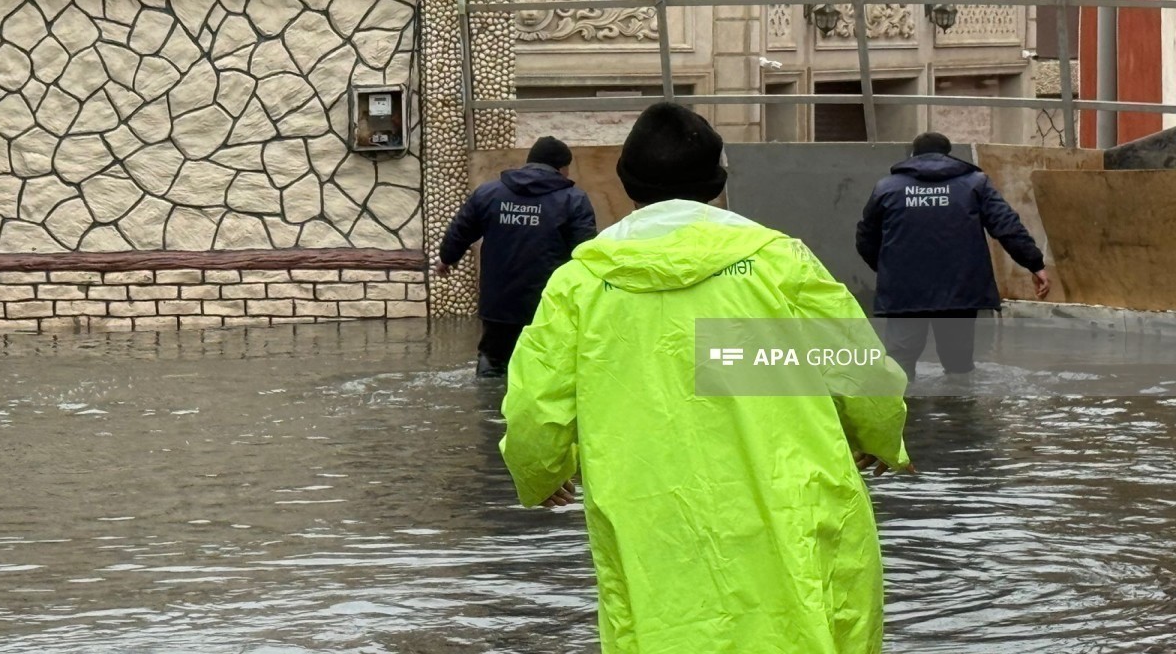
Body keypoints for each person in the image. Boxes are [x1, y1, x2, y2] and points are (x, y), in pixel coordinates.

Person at [500, 102, 913, 653]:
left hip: (653, 518)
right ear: (717, 182)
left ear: (627, 183)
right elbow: (860, 367)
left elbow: (535, 408)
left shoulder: (580, 284)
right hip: (794, 506)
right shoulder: (780, 262)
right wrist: (878, 436)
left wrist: (541, 470)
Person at [856, 131, 1051, 382]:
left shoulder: (887, 187)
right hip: (960, 288)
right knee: (959, 365)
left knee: (899, 364)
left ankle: (903, 407)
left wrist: (889, 271)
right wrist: (1035, 264)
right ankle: (959, 407)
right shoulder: (975, 184)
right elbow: (1007, 226)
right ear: (948, 155)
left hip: (905, 290)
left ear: (913, 155)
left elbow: (865, 238)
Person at [436, 136, 596, 379]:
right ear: (562, 168)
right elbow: (585, 251)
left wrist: (447, 258)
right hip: (548, 303)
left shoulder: (489, 193)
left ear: (529, 162)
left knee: (492, 366)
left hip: (497, 304)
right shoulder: (573, 200)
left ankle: (488, 402)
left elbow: (461, 230)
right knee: (544, 369)